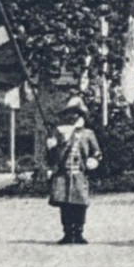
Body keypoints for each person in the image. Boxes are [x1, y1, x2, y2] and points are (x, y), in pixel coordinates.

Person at [45, 96, 100, 245]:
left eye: (76, 113)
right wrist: (52, 147)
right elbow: (52, 156)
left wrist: (93, 160)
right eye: (70, 113)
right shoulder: (58, 132)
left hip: (80, 174)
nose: (72, 116)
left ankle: (79, 232)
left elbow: (96, 152)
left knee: (80, 204)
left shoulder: (88, 133)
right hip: (63, 174)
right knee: (65, 204)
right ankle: (67, 232)